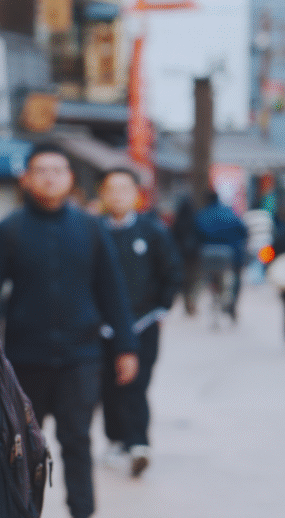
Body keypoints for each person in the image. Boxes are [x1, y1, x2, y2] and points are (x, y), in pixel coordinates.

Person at [0, 143, 138, 518]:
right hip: (23, 358)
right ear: (26, 178)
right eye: (41, 170)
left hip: (81, 357)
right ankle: (17, 510)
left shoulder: (90, 228)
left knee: (78, 442)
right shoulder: (8, 230)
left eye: (58, 170)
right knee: (19, 446)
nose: (50, 177)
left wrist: (125, 347)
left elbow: (112, 290)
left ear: (70, 179)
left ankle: (82, 512)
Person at [97, 168, 183, 478]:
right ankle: (115, 439)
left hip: (143, 322)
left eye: (125, 188)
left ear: (136, 194)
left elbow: (172, 270)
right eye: (112, 188)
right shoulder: (95, 231)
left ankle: (138, 443)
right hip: (103, 325)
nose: (118, 195)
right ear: (103, 194)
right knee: (108, 383)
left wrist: (162, 308)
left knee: (136, 382)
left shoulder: (153, 231)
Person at [194, 190, 248, 320]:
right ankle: (232, 302)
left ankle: (214, 295)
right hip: (231, 254)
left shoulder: (202, 215)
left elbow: (196, 234)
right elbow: (243, 230)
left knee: (208, 276)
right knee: (237, 276)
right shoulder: (229, 212)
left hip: (208, 254)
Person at [170, 195, 202, 315]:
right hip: (193, 254)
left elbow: (172, 237)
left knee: (185, 280)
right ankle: (191, 301)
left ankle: (187, 301)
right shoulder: (195, 219)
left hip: (181, 254)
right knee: (194, 279)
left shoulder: (177, 221)